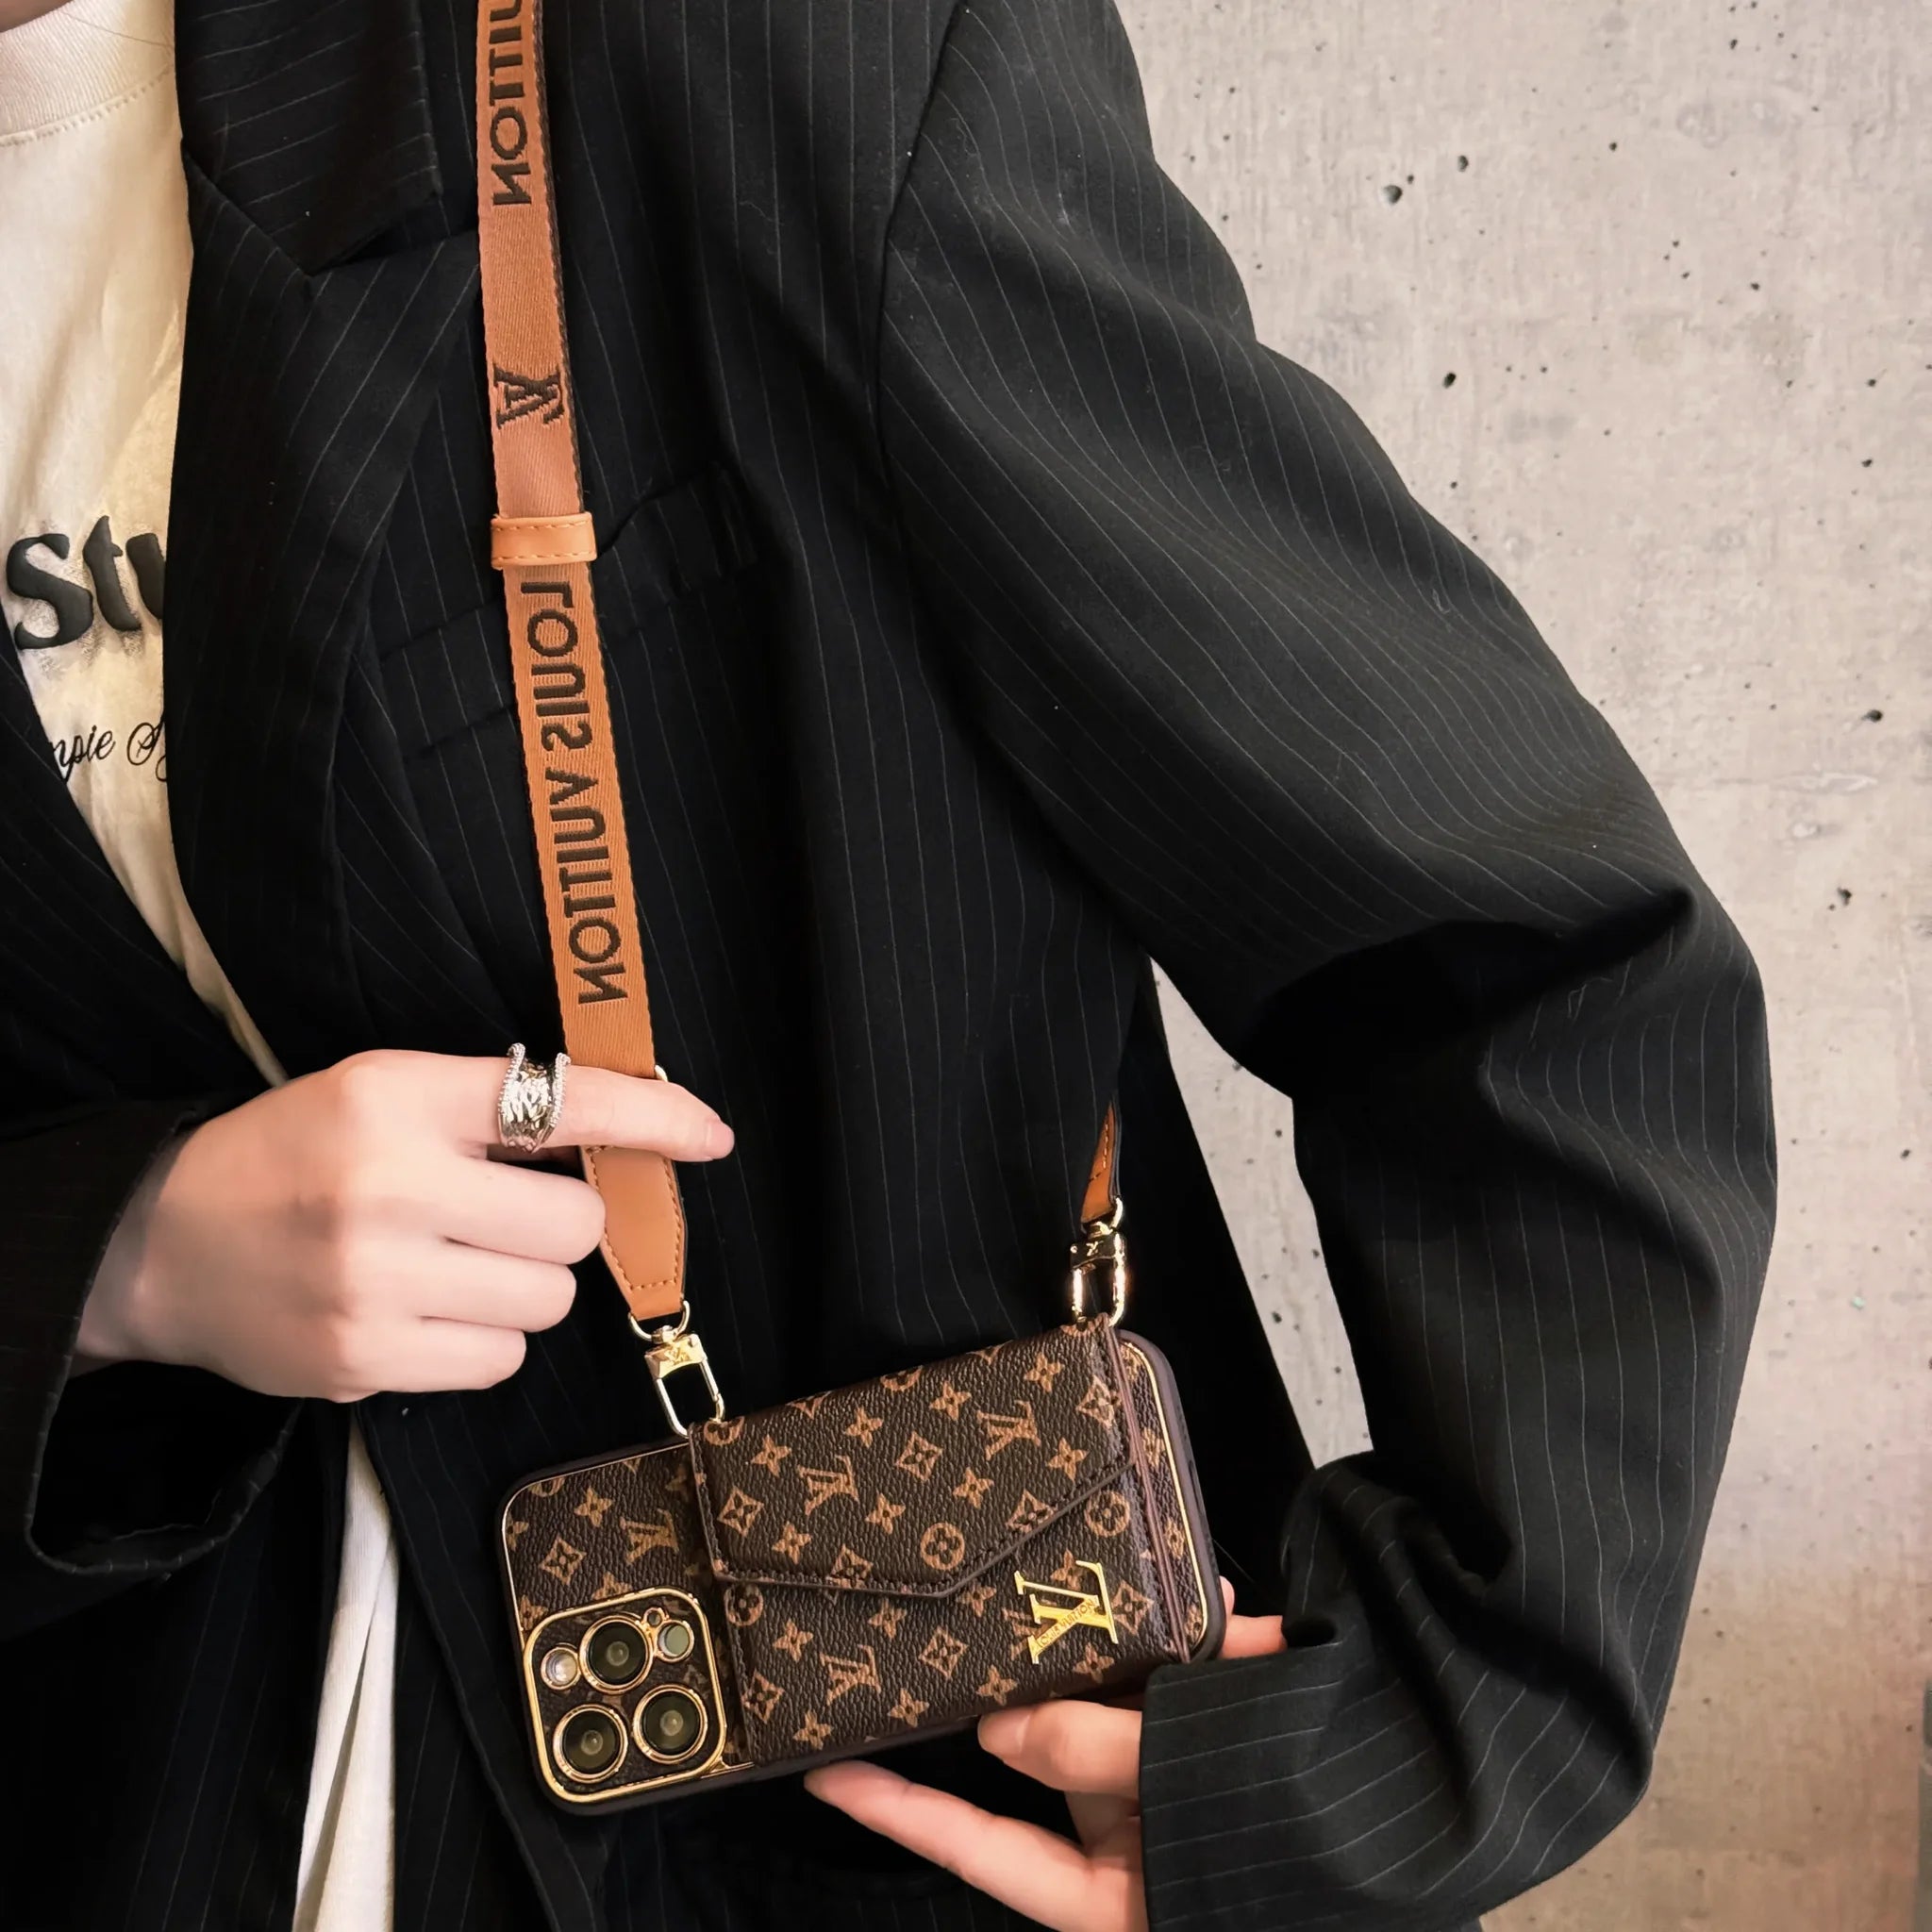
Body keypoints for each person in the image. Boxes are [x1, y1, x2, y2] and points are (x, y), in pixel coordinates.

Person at [0, 0, 1776, 1927]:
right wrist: (109, 1259)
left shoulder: (759, 58)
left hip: (880, 1814)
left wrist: (1401, 1754)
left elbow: (1525, 956)